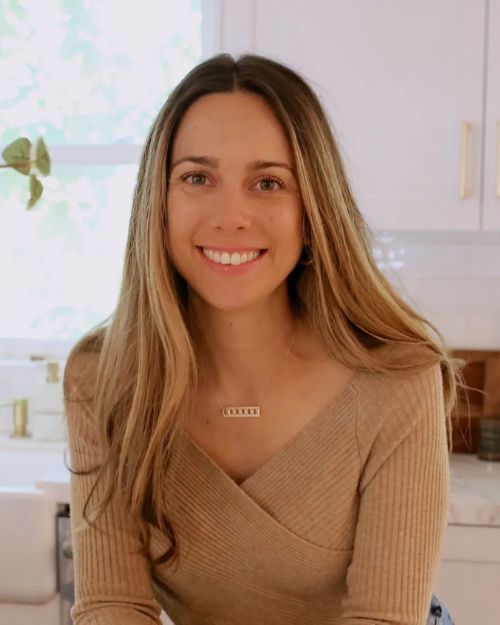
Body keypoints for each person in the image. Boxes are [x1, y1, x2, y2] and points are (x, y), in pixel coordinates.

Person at [63, 53, 465, 625]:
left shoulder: (396, 379)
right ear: (158, 201)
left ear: (312, 212)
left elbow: (382, 618)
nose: (231, 216)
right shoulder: (100, 377)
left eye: (269, 182)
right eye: (197, 177)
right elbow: (113, 605)